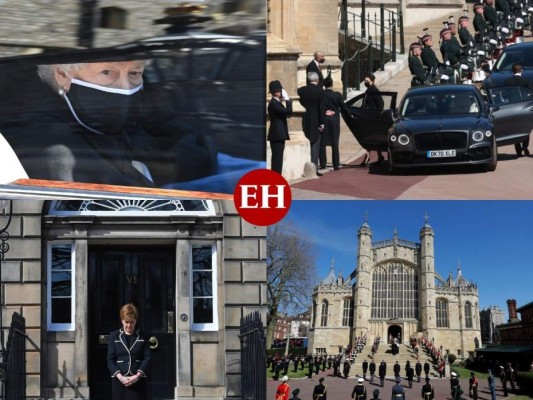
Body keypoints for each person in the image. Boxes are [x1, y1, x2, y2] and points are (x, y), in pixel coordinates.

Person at [1, 59, 220, 189]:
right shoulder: (48, 146)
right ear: (61, 75)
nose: (125, 87)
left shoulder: (98, 120)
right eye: (107, 72)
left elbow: (170, 148)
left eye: (134, 73)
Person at [107, 303, 150, 400]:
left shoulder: (143, 336)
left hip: (138, 380)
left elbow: (147, 358)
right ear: (122, 321)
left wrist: (137, 376)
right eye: (126, 322)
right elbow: (110, 360)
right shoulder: (114, 336)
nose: (129, 325)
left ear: (136, 321)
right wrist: (120, 377)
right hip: (119, 380)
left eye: (132, 322)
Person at [320, 75, 351, 171]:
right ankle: (336, 165)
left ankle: (323, 164)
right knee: (335, 143)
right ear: (332, 84)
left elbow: (320, 107)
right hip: (334, 120)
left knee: (323, 143)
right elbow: (343, 107)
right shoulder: (337, 95)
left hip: (324, 119)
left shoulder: (322, 95)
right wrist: (350, 115)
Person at [298, 71, 326, 176]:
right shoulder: (320, 91)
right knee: (315, 145)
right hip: (316, 120)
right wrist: (322, 123)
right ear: (317, 80)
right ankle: (313, 169)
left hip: (304, 118)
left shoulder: (301, 90)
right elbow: (321, 108)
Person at [267, 80, 293, 175]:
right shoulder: (274, 103)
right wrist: (287, 99)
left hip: (278, 134)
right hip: (277, 134)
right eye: (281, 91)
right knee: (277, 159)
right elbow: (289, 111)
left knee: (278, 159)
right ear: (277, 92)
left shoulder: (276, 102)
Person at [505, 64, 530, 156]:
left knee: (515, 129)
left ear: (513, 71)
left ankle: (518, 149)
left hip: (513, 107)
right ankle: (525, 146)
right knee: (526, 128)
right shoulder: (526, 81)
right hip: (524, 107)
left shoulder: (508, 82)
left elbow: (505, 94)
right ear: (521, 70)